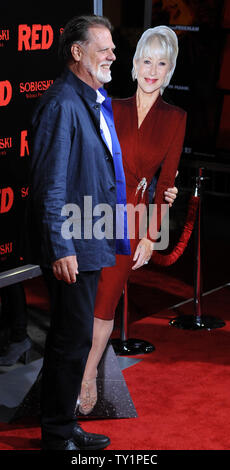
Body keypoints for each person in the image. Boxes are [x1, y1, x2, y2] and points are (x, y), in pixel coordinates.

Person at [29, 15, 127, 451]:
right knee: (70, 342)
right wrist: (61, 247)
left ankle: (65, 425)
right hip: (73, 244)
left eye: (111, 48)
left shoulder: (89, 99)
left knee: (75, 339)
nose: (112, 55)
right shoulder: (62, 104)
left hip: (91, 237)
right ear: (77, 52)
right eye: (103, 48)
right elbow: (50, 185)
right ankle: (55, 434)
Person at [78, 25, 187, 415]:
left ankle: (88, 375)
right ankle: (72, 369)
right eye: (146, 60)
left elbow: (167, 185)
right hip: (94, 213)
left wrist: (149, 237)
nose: (152, 70)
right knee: (82, 299)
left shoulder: (175, 118)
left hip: (132, 222)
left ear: (169, 69)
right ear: (135, 64)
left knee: (106, 302)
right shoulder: (110, 105)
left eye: (161, 63)